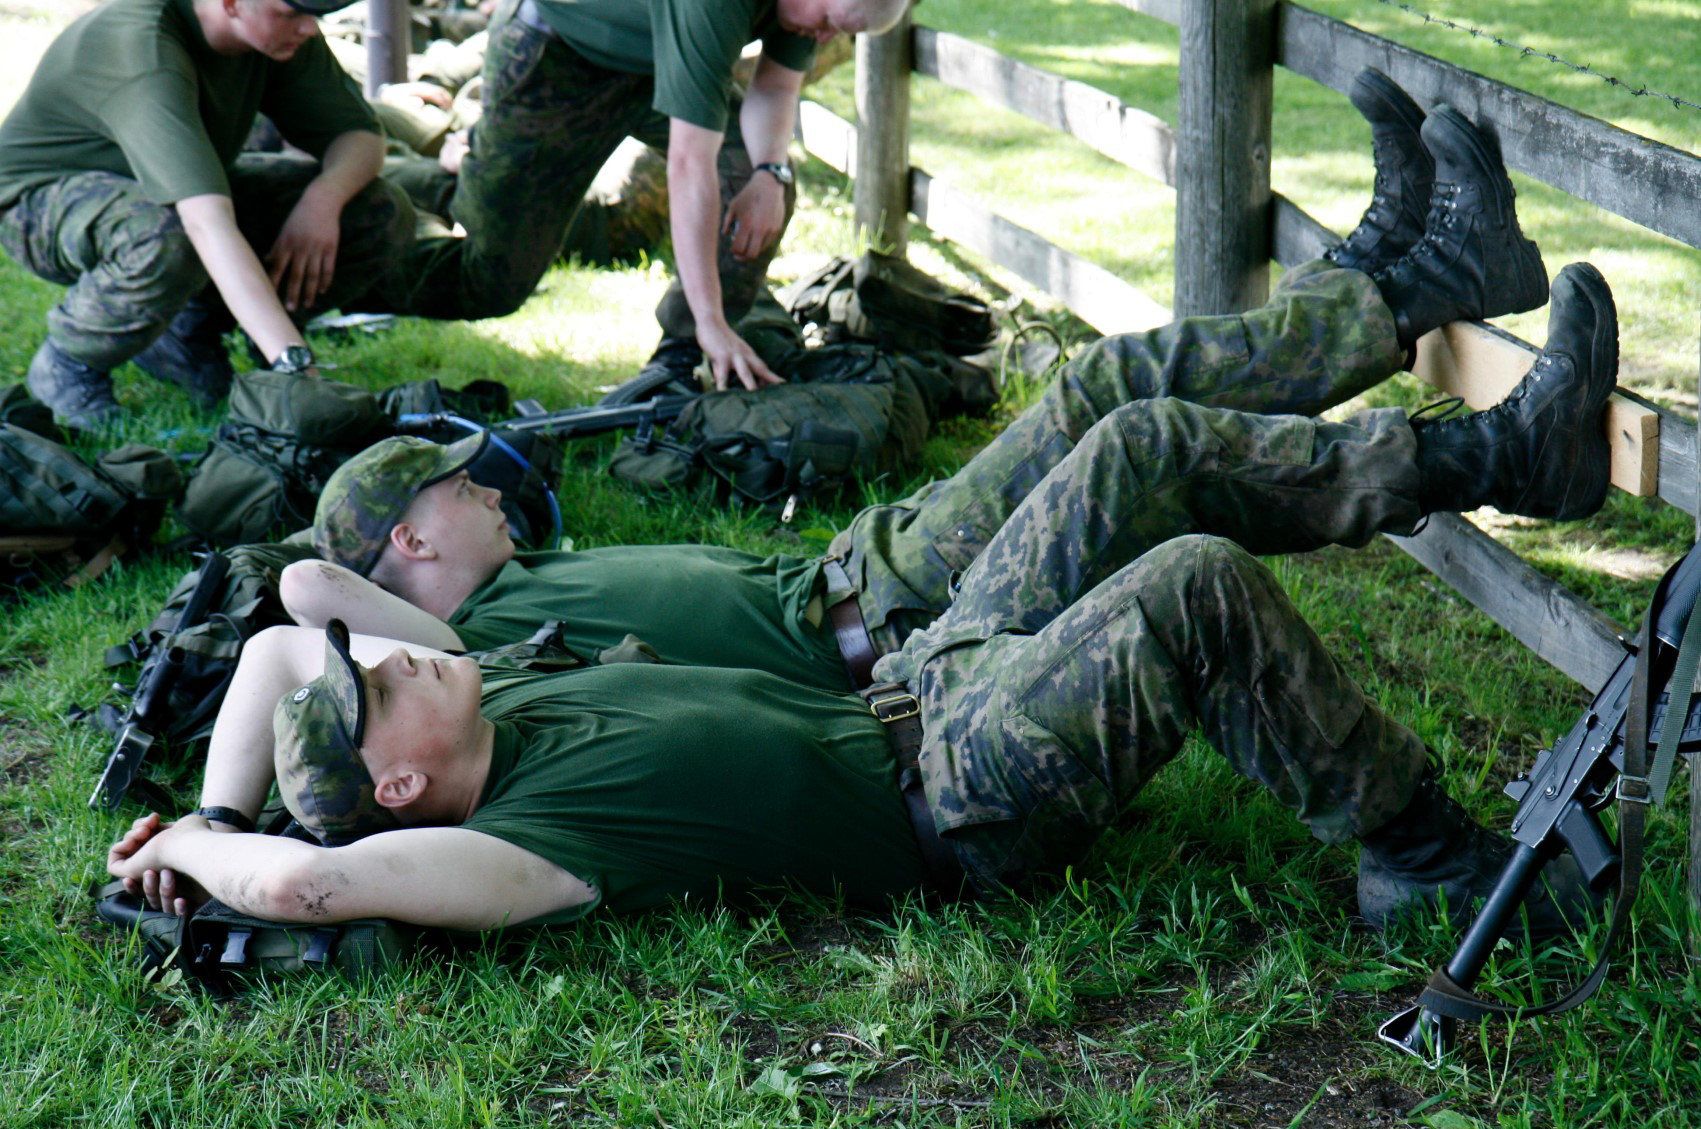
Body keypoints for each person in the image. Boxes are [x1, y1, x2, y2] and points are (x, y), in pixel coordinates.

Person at [105, 254, 1618, 940]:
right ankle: (1425, 856)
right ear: (398, 776)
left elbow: (300, 611)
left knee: (1123, 451)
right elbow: (318, 884)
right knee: (1189, 584)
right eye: (376, 686)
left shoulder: (491, 684)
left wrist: (220, 816)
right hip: (946, 797)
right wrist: (218, 852)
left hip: (928, 675)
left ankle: (1494, 445)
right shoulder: (517, 849)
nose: (388, 657)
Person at [284, 82, 1560, 693]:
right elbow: (303, 591)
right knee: (1136, 430)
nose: (492, 491)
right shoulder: (459, 657)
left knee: (1111, 385)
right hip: (902, 620)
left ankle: (1402, 276)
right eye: (460, 491)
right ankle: (1434, 328)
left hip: (878, 561)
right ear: (404, 542)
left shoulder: (505, 593)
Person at [379, 0, 912, 392]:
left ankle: (680, 363)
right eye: (826, 23)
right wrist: (714, 318)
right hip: (558, 55)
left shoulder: (807, 9)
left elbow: (773, 88)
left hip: (657, 65)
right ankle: (393, 173)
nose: (823, 38)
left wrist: (771, 172)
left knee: (749, 178)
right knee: (490, 278)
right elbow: (687, 163)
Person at [0, 0, 413, 426]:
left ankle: (186, 332)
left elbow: (360, 135)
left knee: (377, 209)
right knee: (165, 234)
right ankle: (69, 362)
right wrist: (296, 366)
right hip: (39, 200)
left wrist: (323, 200)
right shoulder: (145, 45)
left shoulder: (276, 34)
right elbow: (204, 222)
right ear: (231, 4)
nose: (310, 28)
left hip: (172, 197)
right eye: (292, 13)